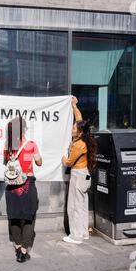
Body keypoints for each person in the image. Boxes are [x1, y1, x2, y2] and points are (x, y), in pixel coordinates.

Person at [4, 117, 42, 263]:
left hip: (12, 187)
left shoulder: (8, 146)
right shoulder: (31, 145)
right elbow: (39, 162)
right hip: (27, 185)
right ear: (24, 130)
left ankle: (18, 248)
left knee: (14, 217)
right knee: (28, 217)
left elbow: (6, 163)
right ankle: (24, 251)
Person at [61, 96, 97, 244]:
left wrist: (63, 159)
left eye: (74, 128)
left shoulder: (78, 145)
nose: (72, 129)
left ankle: (76, 236)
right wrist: (74, 106)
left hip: (78, 175)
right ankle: (83, 232)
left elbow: (69, 162)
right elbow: (80, 119)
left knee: (74, 205)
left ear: (80, 132)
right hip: (85, 175)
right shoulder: (84, 139)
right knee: (82, 205)